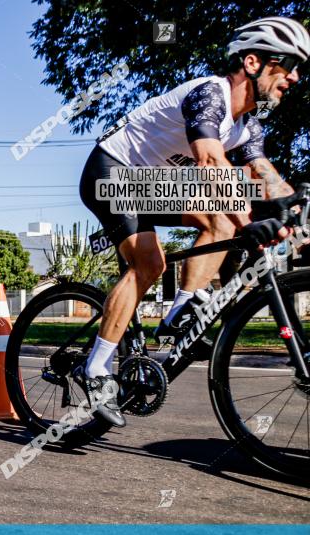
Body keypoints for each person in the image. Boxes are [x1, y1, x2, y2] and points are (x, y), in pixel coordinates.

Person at [78, 16, 309, 427]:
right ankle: (95, 368)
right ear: (253, 62)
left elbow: (262, 174)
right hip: (111, 171)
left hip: (151, 182)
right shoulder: (210, 96)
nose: (294, 77)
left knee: (221, 221)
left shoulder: (246, 124)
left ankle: (182, 310)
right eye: (286, 64)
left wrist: (294, 211)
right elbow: (209, 162)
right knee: (149, 264)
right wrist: (247, 220)